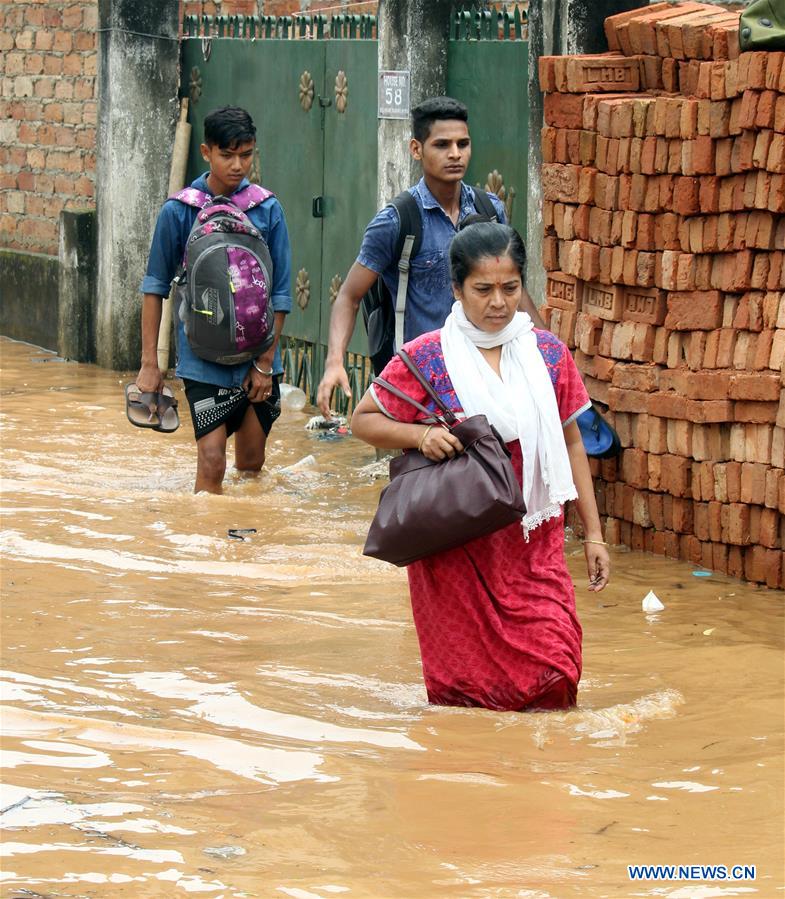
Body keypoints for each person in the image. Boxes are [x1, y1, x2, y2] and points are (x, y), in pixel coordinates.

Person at [351, 222, 610, 712]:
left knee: (556, 671)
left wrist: (594, 534)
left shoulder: (549, 355)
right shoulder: (426, 356)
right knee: (467, 696)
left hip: (535, 539)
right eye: (483, 289)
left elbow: (573, 443)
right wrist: (421, 435)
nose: (499, 302)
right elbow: (363, 420)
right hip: (456, 547)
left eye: (510, 288)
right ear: (456, 289)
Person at [317, 96, 545, 417]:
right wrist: (334, 362)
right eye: (442, 145)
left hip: (486, 375)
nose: (455, 154)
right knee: (425, 464)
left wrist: (548, 351)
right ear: (416, 149)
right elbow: (349, 296)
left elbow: (513, 288)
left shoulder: (489, 209)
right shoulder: (397, 221)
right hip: (421, 382)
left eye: (463, 144)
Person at [136, 106, 292, 494]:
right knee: (212, 460)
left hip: (259, 356)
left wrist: (265, 363)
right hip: (201, 360)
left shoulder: (268, 209)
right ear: (206, 152)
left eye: (246, 154)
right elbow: (155, 286)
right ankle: (205, 543)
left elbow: (282, 292)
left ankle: (243, 544)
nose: (238, 165)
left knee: (252, 464)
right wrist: (149, 365)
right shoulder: (179, 210)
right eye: (227, 155)